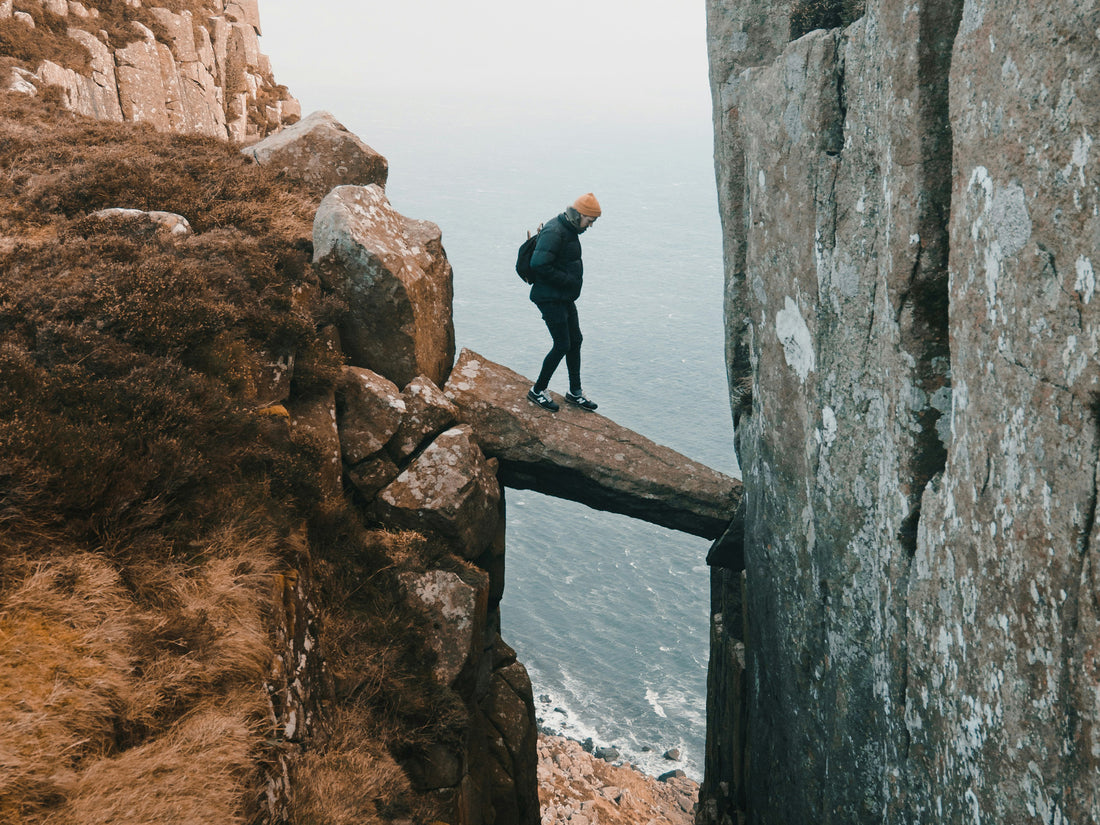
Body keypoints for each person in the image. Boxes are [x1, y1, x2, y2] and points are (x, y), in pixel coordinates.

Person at [525, 192, 602, 412]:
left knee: (575, 340)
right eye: (590, 221)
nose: (590, 226)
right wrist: (568, 281)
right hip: (549, 298)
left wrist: (567, 285)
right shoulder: (555, 231)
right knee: (562, 344)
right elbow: (539, 263)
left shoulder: (568, 229)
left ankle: (574, 393)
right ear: (579, 215)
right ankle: (538, 390)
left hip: (562, 296)